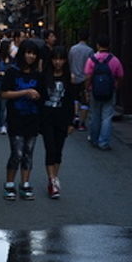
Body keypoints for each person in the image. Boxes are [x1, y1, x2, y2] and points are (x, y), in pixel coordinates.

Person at [0, 39, 46, 200]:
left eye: (34, 53)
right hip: (15, 118)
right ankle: (9, 184)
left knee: (29, 153)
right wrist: (25, 92)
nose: (31, 56)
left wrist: (37, 95)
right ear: (22, 53)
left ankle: (25, 184)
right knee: (17, 153)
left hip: (33, 118)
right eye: (28, 52)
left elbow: (43, 96)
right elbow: (4, 93)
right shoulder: (13, 72)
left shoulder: (38, 75)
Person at [40, 45, 74, 199]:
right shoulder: (45, 77)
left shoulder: (69, 78)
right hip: (47, 118)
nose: (58, 62)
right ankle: (52, 181)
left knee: (58, 150)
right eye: (55, 59)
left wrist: (71, 122)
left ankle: (54, 178)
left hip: (62, 118)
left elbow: (70, 101)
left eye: (61, 59)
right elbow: (40, 100)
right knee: (50, 148)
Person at [84, 34, 124, 151]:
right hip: (109, 91)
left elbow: (88, 76)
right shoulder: (115, 60)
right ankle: (104, 142)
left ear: (97, 45)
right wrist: (116, 85)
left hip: (94, 91)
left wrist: (87, 88)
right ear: (109, 45)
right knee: (107, 117)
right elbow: (120, 75)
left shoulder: (91, 59)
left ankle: (94, 139)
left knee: (95, 115)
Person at [68, 29, 94, 131]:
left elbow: (69, 62)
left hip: (73, 77)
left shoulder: (72, 49)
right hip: (85, 79)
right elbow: (92, 67)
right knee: (85, 102)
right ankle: (82, 123)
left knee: (74, 100)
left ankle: (75, 117)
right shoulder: (89, 51)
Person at [0, 38, 13, 134]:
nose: (11, 49)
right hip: (0, 85)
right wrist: (0, 73)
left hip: (11, 85)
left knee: (10, 106)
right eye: (9, 47)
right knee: (2, 106)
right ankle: (2, 125)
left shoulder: (12, 59)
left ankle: (8, 124)